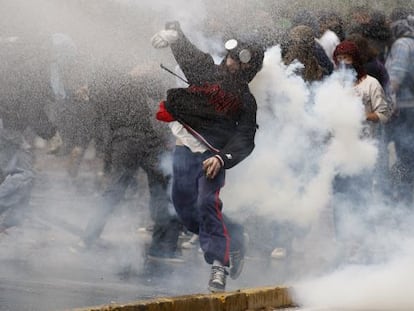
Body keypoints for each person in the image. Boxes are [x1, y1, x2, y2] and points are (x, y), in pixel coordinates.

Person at [151, 21, 264, 292]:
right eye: (229, 56)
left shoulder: (246, 101)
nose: (229, 62)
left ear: (249, 67)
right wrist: (174, 36)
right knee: (184, 209)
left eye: (237, 60)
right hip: (185, 146)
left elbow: (245, 138)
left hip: (213, 156)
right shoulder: (206, 70)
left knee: (206, 204)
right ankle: (233, 237)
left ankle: (218, 265)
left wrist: (223, 158)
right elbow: (191, 54)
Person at [77, 66, 182, 264]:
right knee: (162, 187)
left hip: (125, 141)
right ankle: (162, 247)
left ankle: (88, 238)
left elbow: (97, 124)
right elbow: (157, 91)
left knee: (116, 191)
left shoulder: (102, 88)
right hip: (143, 139)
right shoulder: (126, 79)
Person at [331, 40, 390, 263]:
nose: (345, 64)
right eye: (340, 60)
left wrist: (361, 116)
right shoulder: (334, 85)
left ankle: (360, 244)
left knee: (358, 197)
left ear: (357, 61)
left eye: (349, 60)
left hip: (363, 152)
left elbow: (383, 114)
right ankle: (343, 244)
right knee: (339, 198)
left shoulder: (371, 84)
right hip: (338, 151)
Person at [0, 34, 57, 233]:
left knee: (9, 172)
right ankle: (10, 219)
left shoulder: (12, 63)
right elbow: (33, 108)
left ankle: (11, 220)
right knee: (24, 174)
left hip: (7, 124)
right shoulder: (31, 69)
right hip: (8, 126)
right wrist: (51, 134)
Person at [385, 15, 414, 207]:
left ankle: (404, 197)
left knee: (404, 151)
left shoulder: (403, 44)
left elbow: (396, 74)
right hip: (409, 106)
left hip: (404, 107)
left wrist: (384, 98)